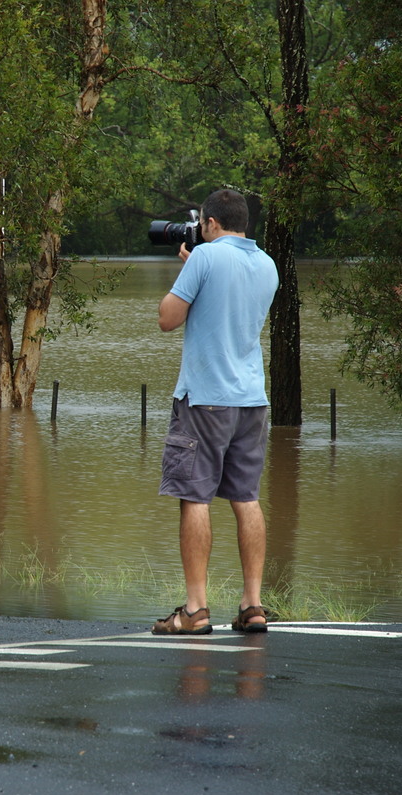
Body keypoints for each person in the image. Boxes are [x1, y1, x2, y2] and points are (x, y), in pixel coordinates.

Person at [152, 188, 279, 635]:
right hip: (251, 400)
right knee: (246, 497)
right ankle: (253, 605)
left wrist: (188, 271)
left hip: (205, 397)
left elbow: (168, 318)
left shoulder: (206, 258)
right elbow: (229, 309)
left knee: (195, 496)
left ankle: (195, 610)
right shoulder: (267, 264)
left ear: (210, 223)